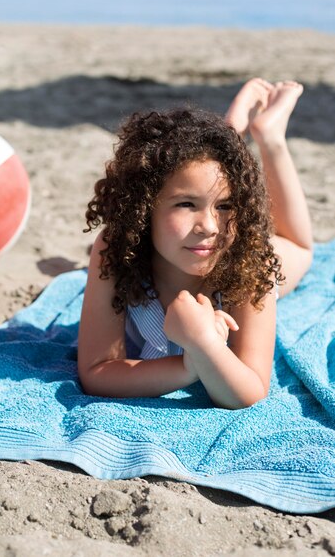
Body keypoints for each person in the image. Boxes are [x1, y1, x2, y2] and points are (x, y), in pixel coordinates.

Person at [77, 79, 313, 409]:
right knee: (202, 169)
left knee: (300, 248)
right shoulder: (115, 248)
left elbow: (250, 389)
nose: (208, 226)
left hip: (238, 255)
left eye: (226, 205)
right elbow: (97, 372)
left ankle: (269, 135)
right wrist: (190, 364)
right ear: (144, 207)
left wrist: (205, 345)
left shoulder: (252, 257)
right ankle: (230, 134)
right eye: (186, 204)